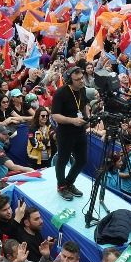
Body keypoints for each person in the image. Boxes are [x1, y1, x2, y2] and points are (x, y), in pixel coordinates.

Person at [49, 68, 93, 198]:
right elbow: (55, 116)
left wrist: (87, 117)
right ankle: (61, 186)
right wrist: (72, 120)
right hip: (65, 132)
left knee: (82, 160)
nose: (81, 81)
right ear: (69, 80)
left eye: (82, 78)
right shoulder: (60, 93)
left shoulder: (82, 89)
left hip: (80, 131)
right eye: (77, 79)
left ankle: (69, 183)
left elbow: (83, 105)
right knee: (62, 160)